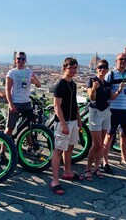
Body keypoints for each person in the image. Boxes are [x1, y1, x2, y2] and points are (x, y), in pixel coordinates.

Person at [50, 57, 84, 195]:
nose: (74, 70)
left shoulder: (73, 84)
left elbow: (74, 103)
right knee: (58, 150)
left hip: (73, 121)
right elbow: (56, 106)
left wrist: (79, 119)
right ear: (64, 68)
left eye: (76, 68)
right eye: (71, 68)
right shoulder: (60, 84)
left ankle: (67, 172)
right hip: (63, 122)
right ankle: (54, 180)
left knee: (69, 147)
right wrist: (63, 124)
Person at [0, 52, 41, 160]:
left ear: (25, 61)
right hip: (16, 103)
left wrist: (35, 80)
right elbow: (7, 90)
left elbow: (39, 84)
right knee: (9, 128)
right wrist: (11, 104)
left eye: (23, 59)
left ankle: (31, 147)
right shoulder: (11, 73)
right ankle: (2, 152)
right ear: (15, 60)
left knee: (27, 127)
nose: (21, 61)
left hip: (27, 103)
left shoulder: (29, 72)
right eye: (19, 59)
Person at [102, 53, 126, 171]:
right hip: (113, 109)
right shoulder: (110, 75)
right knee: (109, 135)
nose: (123, 61)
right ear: (116, 61)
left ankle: (124, 158)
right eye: (121, 59)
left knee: (125, 135)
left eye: (125, 59)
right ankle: (105, 161)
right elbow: (107, 93)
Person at [84, 59, 111, 181]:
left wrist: (120, 90)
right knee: (97, 145)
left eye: (105, 67)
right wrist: (94, 88)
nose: (102, 69)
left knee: (101, 146)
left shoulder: (106, 83)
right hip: (95, 113)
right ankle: (88, 169)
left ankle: (96, 167)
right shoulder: (91, 80)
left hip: (106, 113)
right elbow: (91, 97)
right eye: (100, 67)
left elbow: (110, 97)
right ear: (96, 68)